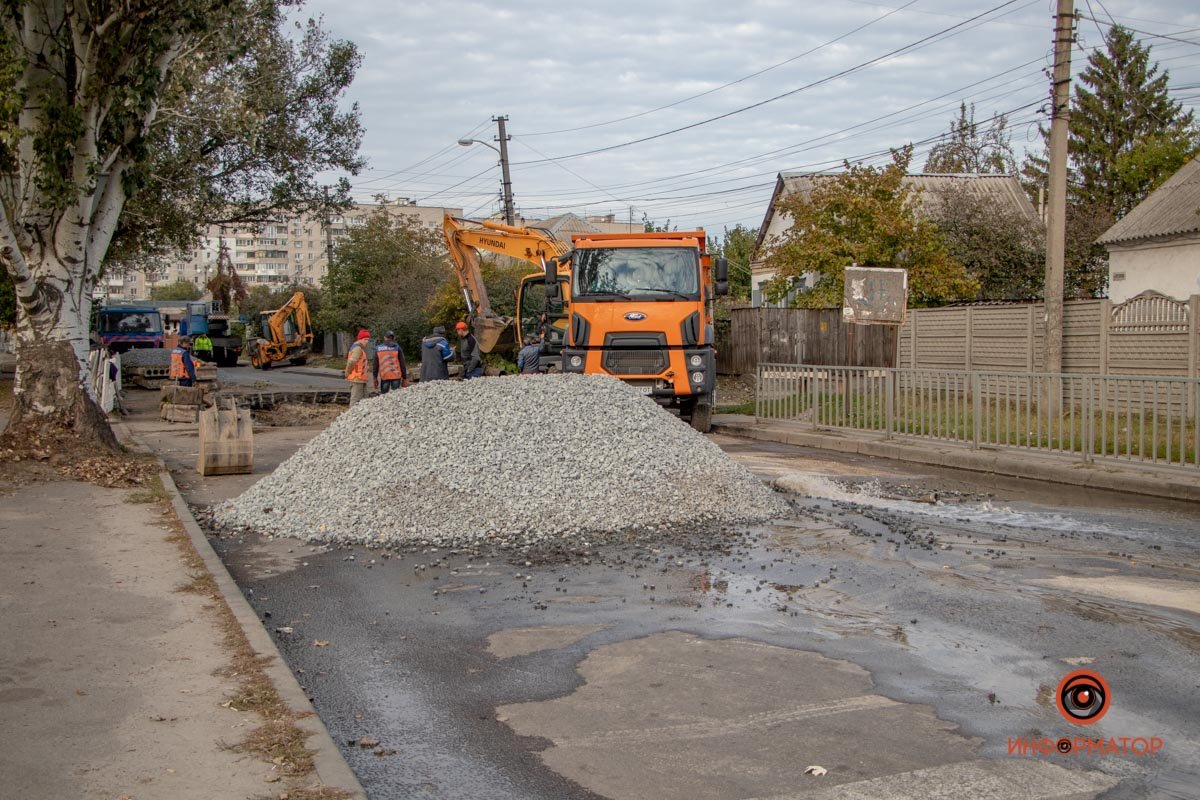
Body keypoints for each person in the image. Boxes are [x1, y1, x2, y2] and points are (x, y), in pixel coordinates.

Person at [345, 329, 372, 406]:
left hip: (360, 378)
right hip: (357, 378)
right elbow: (351, 361)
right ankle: (352, 413)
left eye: (368, 340)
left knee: (364, 399)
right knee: (355, 400)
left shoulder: (358, 348)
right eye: (365, 339)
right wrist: (347, 372)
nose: (367, 342)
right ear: (360, 339)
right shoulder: (357, 349)